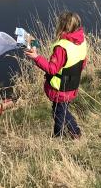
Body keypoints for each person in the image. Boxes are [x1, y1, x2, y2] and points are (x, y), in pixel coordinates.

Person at [25, 11, 87, 139]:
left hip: (61, 88)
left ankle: (74, 133)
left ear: (62, 26)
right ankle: (57, 136)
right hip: (72, 84)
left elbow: (52, 69)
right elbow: (83, 62)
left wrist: (36, 57)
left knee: (59, 113)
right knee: (59, 111)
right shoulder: (80, 41)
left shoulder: (61, 47)